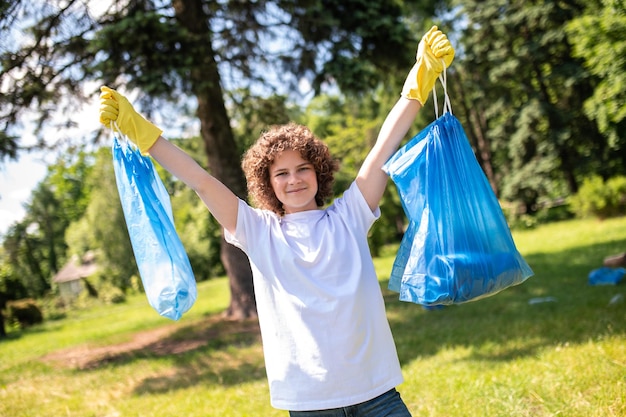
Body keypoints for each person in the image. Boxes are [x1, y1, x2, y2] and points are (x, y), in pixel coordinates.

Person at [99, 26, 454, 417]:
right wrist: (144, 135)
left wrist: (418, 81)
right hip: (309, 404)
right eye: (280, 174)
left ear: (319, 172)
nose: (294, 179)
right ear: (266, 184)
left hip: (377, 395)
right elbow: (200, 180)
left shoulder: (350, 215)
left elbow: (384, 146)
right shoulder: (257, 231)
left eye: (303, 168)